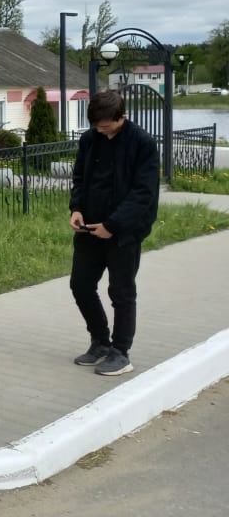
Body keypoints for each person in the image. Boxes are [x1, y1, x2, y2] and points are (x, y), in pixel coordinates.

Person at [68, 90, 160, 376]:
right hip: (89, 228)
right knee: (80, 285)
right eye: (97, 126)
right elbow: (79, 178)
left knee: (121, 292)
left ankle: (121, 352)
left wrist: (113, 226)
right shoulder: (90, 139)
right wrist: (76, 209)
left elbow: (143, 194)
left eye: (106, 126)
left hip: (124, 232)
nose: (101, 130)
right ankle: (100, 342)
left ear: (122, 117)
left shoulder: (143, 143)